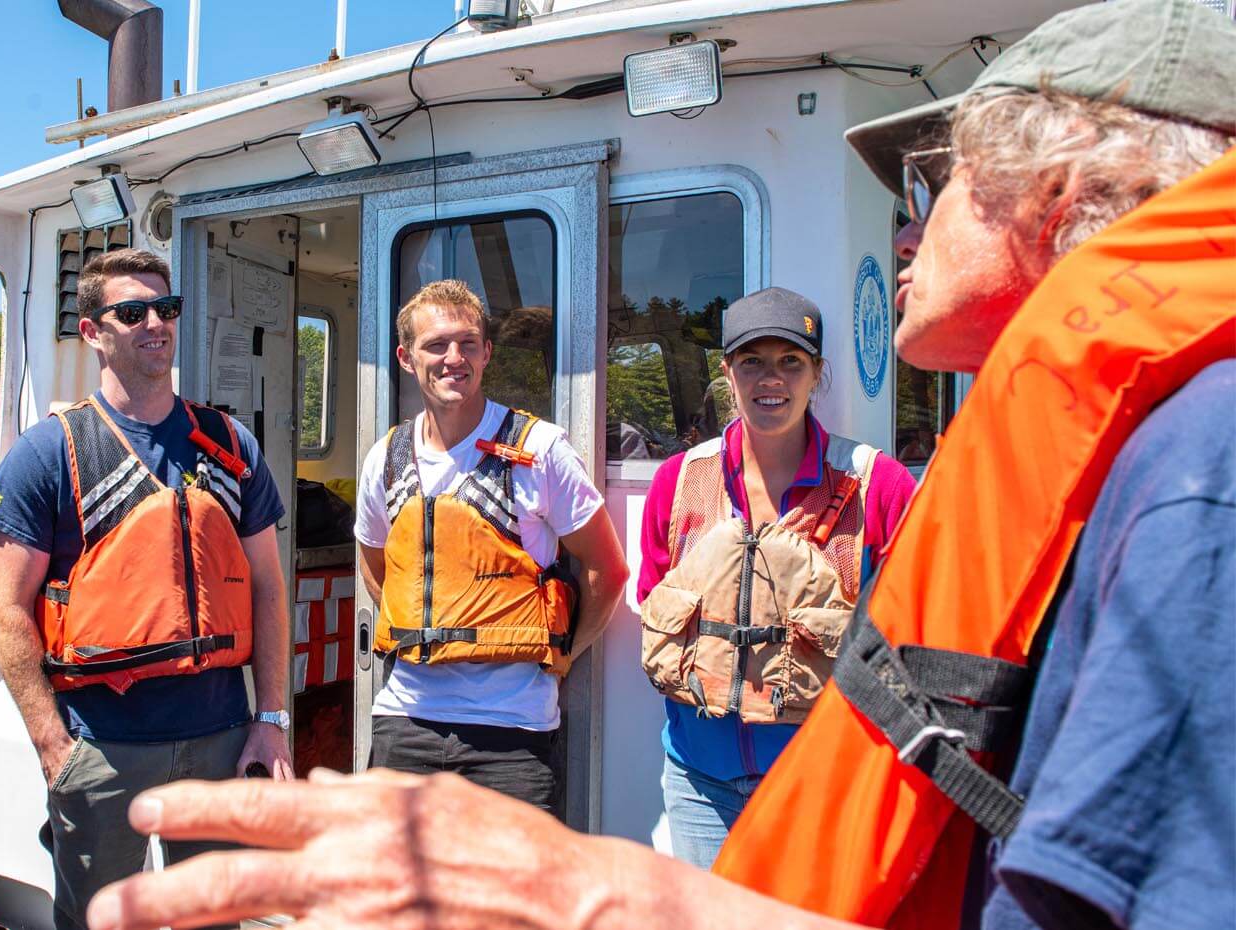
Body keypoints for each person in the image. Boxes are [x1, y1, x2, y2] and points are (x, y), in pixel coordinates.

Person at [77, 2, 1235, 928]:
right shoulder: (1140, 454)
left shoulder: (1199, 469)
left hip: (548, 719)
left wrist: (592, 891)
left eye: (929, 187)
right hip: (528, 726)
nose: (904, 230)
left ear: (1062, 192)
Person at [0, 248, 293, 930]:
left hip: (218, 736)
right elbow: (1, 603)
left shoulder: (227, 443)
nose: (156, 323)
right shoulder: (48, 452)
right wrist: (52, 746)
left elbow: (268, 586)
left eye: (166, 308)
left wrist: (270, 719)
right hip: (101, 749)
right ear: (92, 331)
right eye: (132, 311)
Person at [637, 287, 914, 867]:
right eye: (752, 361)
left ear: (817, 373)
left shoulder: (876, 484)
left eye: (792, 361)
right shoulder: (679, 481)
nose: (773, 379)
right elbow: (652, 602)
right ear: (727, 373)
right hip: (698, 786)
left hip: (823, 783)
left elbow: (914, 624)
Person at [354, 279, 628, 814]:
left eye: (468, 344)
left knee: (508, 897)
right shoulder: (385, 458)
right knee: (398, 893)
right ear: (406, 358)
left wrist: (565, 653)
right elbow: (376, 566)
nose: (453, 358)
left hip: (513, 732)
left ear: (486, 354)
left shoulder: (540, 450)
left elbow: (608, 569)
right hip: (404, 723)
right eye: (436, 345)